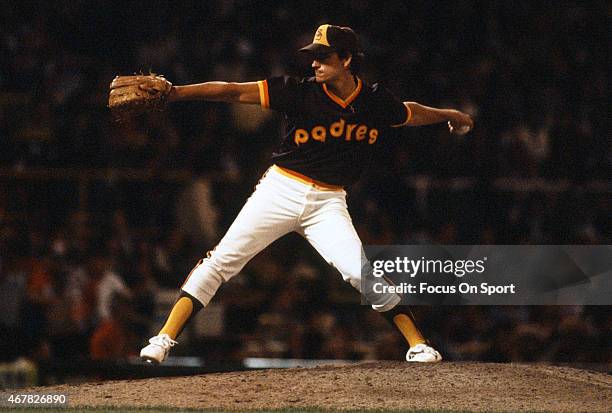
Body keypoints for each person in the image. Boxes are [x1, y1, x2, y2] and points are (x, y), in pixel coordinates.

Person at [140, 24, 473, 364]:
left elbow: (410, 112)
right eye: (312, 57)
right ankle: (163, 339)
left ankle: (418, 345)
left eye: (322, 56)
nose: (314, 63)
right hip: (281, 189)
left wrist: (451, 114)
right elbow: (234, 91)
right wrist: (178, 92)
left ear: (346, 59)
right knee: (223, 261)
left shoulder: (374, 102)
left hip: (328, 202)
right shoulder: (297, 91)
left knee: (360, 273)